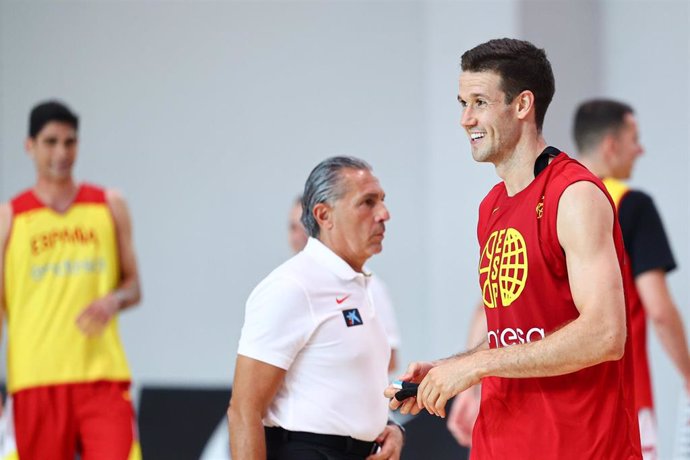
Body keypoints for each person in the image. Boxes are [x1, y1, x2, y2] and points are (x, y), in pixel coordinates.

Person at [385, 38, 642, 458]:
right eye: (462, 103)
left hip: (580, 447)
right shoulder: (492, 207)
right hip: (500, 442)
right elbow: (518, 331)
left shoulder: (574, 195)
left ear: (523, 105)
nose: (466, 119)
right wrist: (453, 368)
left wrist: (476, 366)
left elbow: (605, 334)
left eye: (480, 102)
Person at [229, 156, 404, 459]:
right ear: (324, 215)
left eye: (382, 201)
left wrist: (390, 429)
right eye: (367, 202)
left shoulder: (361, 285)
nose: (384, 214)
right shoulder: (292, 287)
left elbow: (341, 385)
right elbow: (244, 411)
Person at [0, 101, 142, 460]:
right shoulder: (10, 218)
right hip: (35, 380)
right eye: (50, 142)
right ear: (30, 145)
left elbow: (133, 286)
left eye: (69, 142)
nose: (61, 152)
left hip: (102, 377)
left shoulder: (108, 204)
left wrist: (113, 300)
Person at [574, 98, 690, 459]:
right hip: (623, 399)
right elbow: (658, 309)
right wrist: (688, 374)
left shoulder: (547, 204)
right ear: (611, 145)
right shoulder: (631, 205)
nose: (640, 150)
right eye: (634, 139)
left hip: (561, 403)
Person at [287, 196, 402, 373]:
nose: (298, 236)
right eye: (293, 228)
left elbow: (390, 359)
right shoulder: (284, 286)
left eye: (304, 229)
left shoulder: (368, 284)